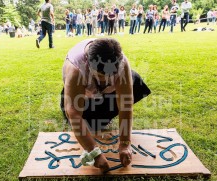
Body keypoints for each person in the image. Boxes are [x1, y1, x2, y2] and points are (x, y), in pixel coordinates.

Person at [60, 38, 151, 172]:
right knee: (90, 126)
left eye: (111, 76)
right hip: (83, 96)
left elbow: (126, 104)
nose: (108, 81)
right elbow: (74, 112)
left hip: (105, 95)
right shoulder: (76, 68)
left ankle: (102, 107)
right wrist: (94, 153)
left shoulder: (122, 62)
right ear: (90, 67)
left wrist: (125, 143)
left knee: (134, 81)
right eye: (102, 77)